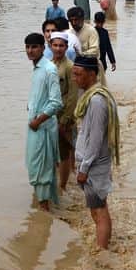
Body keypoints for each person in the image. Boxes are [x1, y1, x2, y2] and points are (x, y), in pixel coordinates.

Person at [73, 55, 120, 250]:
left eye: (78, 74)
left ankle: (101, 253)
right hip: (92, 165)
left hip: (93, 167)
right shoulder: (93, 97)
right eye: (73, 74)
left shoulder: (97, 102)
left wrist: (83, 169)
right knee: (98, 210)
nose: (75, 78)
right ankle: (103, 247)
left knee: (99, 212)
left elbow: (95, 139)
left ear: (92, 74)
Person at [24, 32, 62, 211]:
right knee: (35, 167)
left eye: (34, 47)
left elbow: (56, 102)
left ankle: (44, 217)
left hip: (42, 127)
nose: (30, 51)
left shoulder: (49, 69)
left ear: (42, 48)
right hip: (36, 127)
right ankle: (46, 211)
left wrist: (37, 121)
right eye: (28, 47)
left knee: (42, 171)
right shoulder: (37, 68)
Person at [49, 32, 78, 192]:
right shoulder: (48, 64)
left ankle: (63, 186)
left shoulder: (70, 67)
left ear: (66, 47)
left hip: (63, 118)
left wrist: (66, 119)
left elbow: (73, 95)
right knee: (52, 153)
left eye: (61, 45)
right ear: (50, 46)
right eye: (55, 45)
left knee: (64, 153)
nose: (58, 48)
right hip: (50, 117)